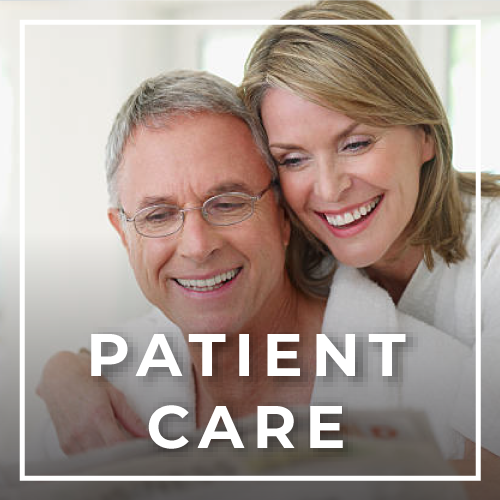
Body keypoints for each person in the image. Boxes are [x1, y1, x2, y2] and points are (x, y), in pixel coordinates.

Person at [38, 69, 473, 474]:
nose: (197, 246)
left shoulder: (445, 393)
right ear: (123, 234)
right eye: (157, 216)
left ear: (284, 215)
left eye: (228, 203)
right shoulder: (89, 409)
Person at [239, 0, 500, 486]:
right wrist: (69, 378)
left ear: (425, 135)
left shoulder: (493, 248)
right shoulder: (303, 257)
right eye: (294, 159)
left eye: (355, 144)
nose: (329, 188)